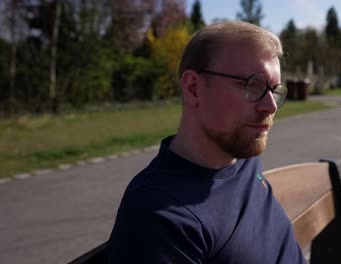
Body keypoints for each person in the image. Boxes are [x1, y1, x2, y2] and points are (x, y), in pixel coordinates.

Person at [106, 20, 306, 263]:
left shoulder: (241, 158)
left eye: (274, 90)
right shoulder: (158, 215)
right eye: (253, 85)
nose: (270, 106)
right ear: (193, 88)